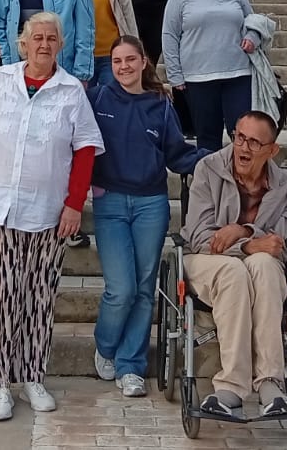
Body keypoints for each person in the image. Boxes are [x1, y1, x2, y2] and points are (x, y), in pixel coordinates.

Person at [0, 13, 104, 422]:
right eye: (36, 38)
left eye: (51, 38)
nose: (44, 44)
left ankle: (32, 375)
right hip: (2, 206)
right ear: (23, 44)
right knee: (6, 294)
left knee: (40, 296)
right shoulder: (2, 79)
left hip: (49, 211)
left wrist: (75, 203)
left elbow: (85, 149)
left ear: (61, 44)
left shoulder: (71, 90)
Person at [88, 36, 207, 397]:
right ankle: (106, 346)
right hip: (109, 203)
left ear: (143, 63)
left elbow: (175, 153)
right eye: (117, 60)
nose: (123, 67)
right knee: (120, 289)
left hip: (151, 204)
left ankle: (131, 366)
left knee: (143, 289)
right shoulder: (97, 98)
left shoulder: (160, 103)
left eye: (130, 60)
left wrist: (212, 157)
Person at [180, 110, 287, 420]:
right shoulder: (208, 169)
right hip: (208, 262)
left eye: (254, 143)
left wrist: (244, 230)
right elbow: (198, 236)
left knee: (262, 264)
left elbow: (278, 242)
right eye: (239, 138)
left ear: (272, 150)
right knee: (236, 269)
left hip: (260, 269)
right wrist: (247, 243)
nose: (243, 148)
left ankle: (270, 384)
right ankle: (231, 387)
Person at [162, 0, 262, 152]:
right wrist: (175, 74)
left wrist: (253, 37)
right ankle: (211, 184)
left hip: (238, 75)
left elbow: (253, 23)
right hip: (198, 78)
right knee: (207, 139)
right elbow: (169, 35)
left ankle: (242, 183)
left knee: (243, 135)